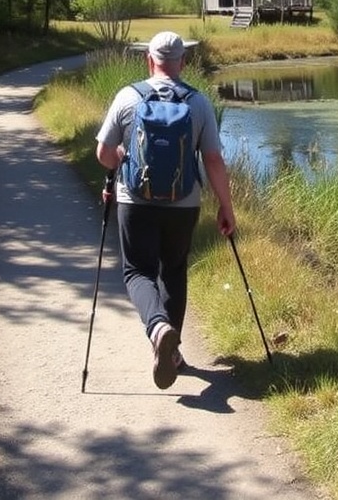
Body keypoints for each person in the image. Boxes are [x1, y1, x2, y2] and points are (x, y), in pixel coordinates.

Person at [95, 31, 236, 389]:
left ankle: (158, 329)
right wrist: (225, 206)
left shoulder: (128, 97)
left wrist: (121, 160)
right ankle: (172, 355)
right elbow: (214, 161)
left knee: (137, 272)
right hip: (183, 202)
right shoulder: (198, 103)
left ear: (149, 60)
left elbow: (103, 154)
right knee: (173, 270)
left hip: (135, 200)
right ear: (182, 63)